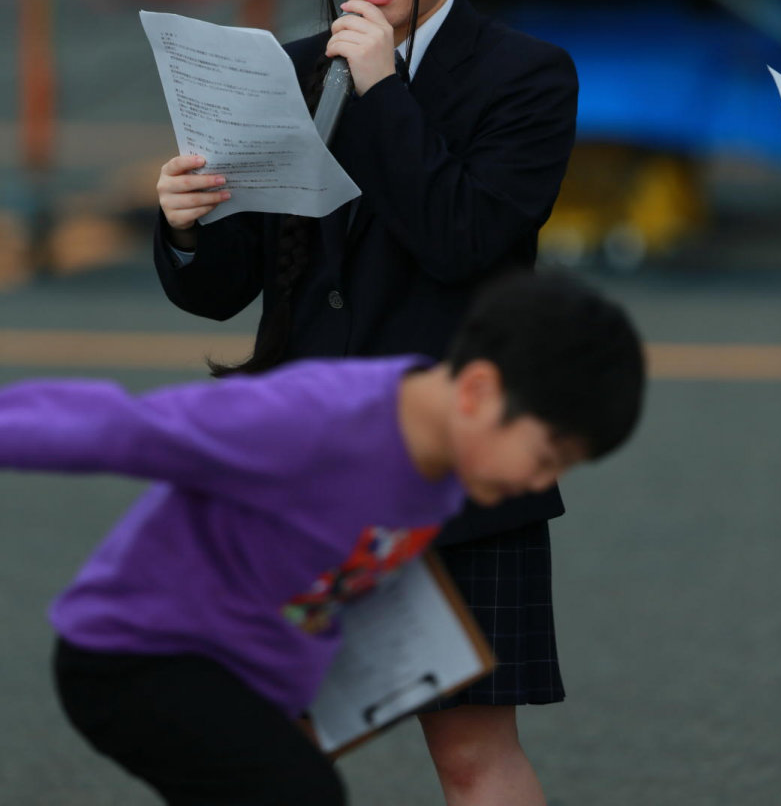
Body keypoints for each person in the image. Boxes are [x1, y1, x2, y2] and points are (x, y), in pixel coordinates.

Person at [154, 0, 579, 804]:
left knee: (470, 754)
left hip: (456, 468)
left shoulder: (523, 77)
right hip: (304, 467)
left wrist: (382, 86)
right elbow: (226, 289)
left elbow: (462, 238)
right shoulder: (285, 69)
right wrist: (181, 225)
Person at [0, 271, 644, 806]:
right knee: (299, 797)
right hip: (135, 652)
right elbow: (125, 429)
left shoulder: (447, 475)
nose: (542, 480)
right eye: (548, 452)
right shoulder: (314, 420)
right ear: (477, 390)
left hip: (245, 674)